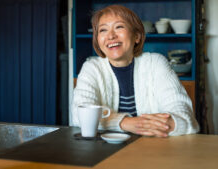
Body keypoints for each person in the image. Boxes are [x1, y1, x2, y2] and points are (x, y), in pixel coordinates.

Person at [71, 5, 199, 137]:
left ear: (136, 36)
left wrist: (168, 123)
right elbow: (79, 115)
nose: (110, 36)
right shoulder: (91, 68)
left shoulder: (156, 63)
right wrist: (125, 122)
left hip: (153, 148)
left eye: (119, 27)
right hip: (104, 151)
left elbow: (184, 116)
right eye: (103, 30)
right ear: (97, 40)